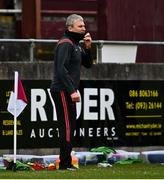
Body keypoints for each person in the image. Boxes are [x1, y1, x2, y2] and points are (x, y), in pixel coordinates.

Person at [50, 14, 93, 170]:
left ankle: (66, 162)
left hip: (67, 91)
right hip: (62, 90)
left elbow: (88, 64)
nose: (84, 28)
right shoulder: (65, 44)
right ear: (70, 28)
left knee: (71, 126)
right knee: (67, 127)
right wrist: (72, 91)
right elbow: (60, 69)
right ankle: (65, 163)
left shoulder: (76, 45)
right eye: (80, 26)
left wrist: (88, 48)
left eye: (84, 26)